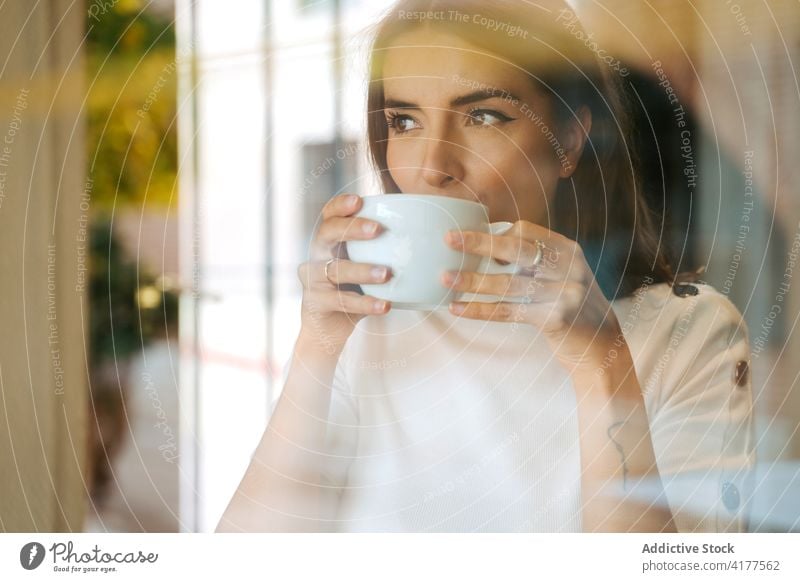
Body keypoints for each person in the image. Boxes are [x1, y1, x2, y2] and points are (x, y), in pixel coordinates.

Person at [217, 0, 754, 533]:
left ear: (568, 139)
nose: (432, 167)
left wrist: (601, 364)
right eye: (403, 121)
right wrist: (316, 347)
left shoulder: (689, 330)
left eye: (483, 116)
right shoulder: (365, 330)